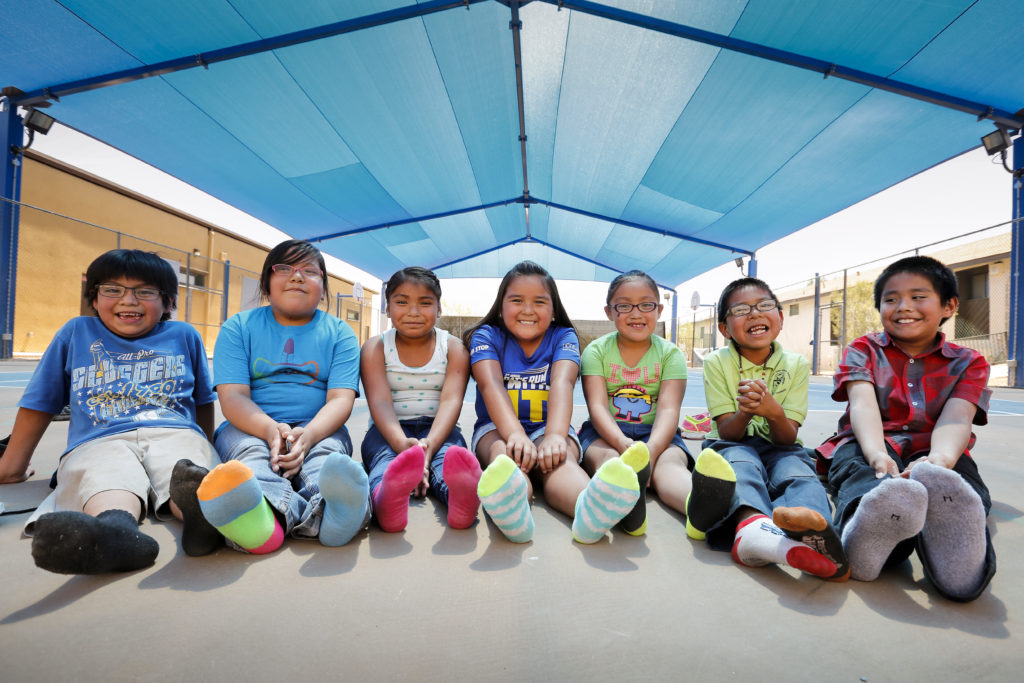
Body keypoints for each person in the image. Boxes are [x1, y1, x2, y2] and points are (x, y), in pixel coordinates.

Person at [0, 249, 221, 574]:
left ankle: (203, 518)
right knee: (102, 471)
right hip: (99, 438)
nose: (128, 300)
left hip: (174, 431)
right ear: (94, 296)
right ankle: (116, 531)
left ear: (168, 302)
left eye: (144, 291)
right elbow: (41, 402)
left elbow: (202, 401)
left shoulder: (184, 335)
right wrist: (11, 466)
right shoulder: (76, 332)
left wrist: (207, 444)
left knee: (186, 468)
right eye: (112, 289)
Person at [817, 255, 994, 601]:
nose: (903, 306)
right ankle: (864, 534)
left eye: (918, 296)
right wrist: (877, 454)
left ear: (949, 306)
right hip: (868, 442)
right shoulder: (862, 349)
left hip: (936, 447)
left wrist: (939, 461)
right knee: (864, 477)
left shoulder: (970, 362)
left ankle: (956, 561)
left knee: (959, 484)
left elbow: (957, 418)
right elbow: (862, 405)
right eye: (891, 298)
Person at [195, 239, 367, 553]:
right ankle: (271, 522)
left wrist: (310, 434)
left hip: (319, 426)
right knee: (250, 457)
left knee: (325, 460)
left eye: (310, 271)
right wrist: (269, 430)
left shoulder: (340, 332)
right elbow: (232, 396)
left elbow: (341, 399)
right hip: (248, 426)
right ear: (266, 282)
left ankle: (331, 513)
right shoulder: (238, 327)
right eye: (284, 268)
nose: (297, 277)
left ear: (323, 286)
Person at [463, 260, 642, 544]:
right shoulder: (487, 335)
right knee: (504, 457)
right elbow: (490, 384)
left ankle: (588, 509)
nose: (528, 310)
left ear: (554, 309)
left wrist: (556, 435)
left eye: (539, 302)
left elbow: (563, 381)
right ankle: (514, 509)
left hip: (550, 426)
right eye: (517, 300)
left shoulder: (563, 335)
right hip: (498, 429)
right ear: (500, 306)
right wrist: (515, 435)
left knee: (562, 461)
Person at [685, 277, 847, 580]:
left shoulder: (796, 364)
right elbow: (728, 433)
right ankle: (753, 529)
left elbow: (787, 437)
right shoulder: (717, 363)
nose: (755, 314)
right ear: (724, 329)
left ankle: (816, 531)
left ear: (780, 318)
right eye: (741, 310)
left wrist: (773, 413)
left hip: (781, 445)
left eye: (765, 306)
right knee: (742, 468)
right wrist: (746, 412)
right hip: (732, 443)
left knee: (797, 473)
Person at [360, 266, 479, 531]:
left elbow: (451, 402)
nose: (413, 312)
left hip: (439, 430)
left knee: (448, 459)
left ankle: (463, 501)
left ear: (439, 310)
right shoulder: (375, 347)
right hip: (387, 431)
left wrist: (428, 448)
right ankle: (386, 499)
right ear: (387, 309)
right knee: (385, 461)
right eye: (402, 302)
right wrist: (402, 444)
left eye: (425, 303)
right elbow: (379, 401)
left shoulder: (454, 348)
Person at [579, 270, 692, 535]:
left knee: (670, 465)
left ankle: (698, 505)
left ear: (659, 309)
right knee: (608, 460)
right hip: (605, 434)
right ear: (610, 312)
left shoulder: (670, 354)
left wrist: (651, 451)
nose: (636, 313)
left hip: (658, 436)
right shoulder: (596, 351)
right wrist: (622, 444)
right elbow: (597, 406)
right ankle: (629, 507)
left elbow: (668, 408)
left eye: (646, 304)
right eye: (624, 305)